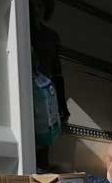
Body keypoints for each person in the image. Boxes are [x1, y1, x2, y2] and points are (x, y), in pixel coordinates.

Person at [30, 0, 69, 170]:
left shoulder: (50, 37)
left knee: (44, 142)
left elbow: (58, 74)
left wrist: (62, 107)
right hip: (26, 94)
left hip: (46, 96)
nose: (36, 10)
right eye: (32, 5)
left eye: (40, 5)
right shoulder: (19, 30)